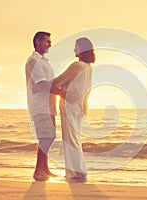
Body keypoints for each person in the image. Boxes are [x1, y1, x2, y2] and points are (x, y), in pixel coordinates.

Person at [52, 37, 95, 182]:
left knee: (70, 140)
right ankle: (78, 171)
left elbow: (58, 81)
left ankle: (74, 173)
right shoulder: (88, 68)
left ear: (82, 48)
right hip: (79, 108)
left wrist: (47, 83)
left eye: (76, 46)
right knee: (75, 140)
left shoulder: (77, 66)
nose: (74, 49)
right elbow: (87, 91)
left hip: (69, 107)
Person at [25, 31, 65, 181]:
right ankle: (38, 171)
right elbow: (42, 84)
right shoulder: (33, 61)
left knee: (50, 136)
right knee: (46, 137)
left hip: (49, 106)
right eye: (47, 41)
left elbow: (51, 82)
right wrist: (63, 94)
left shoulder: (43, 61)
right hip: (40, 106)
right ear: (38, 42)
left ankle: (45, 168)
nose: (50, 44)